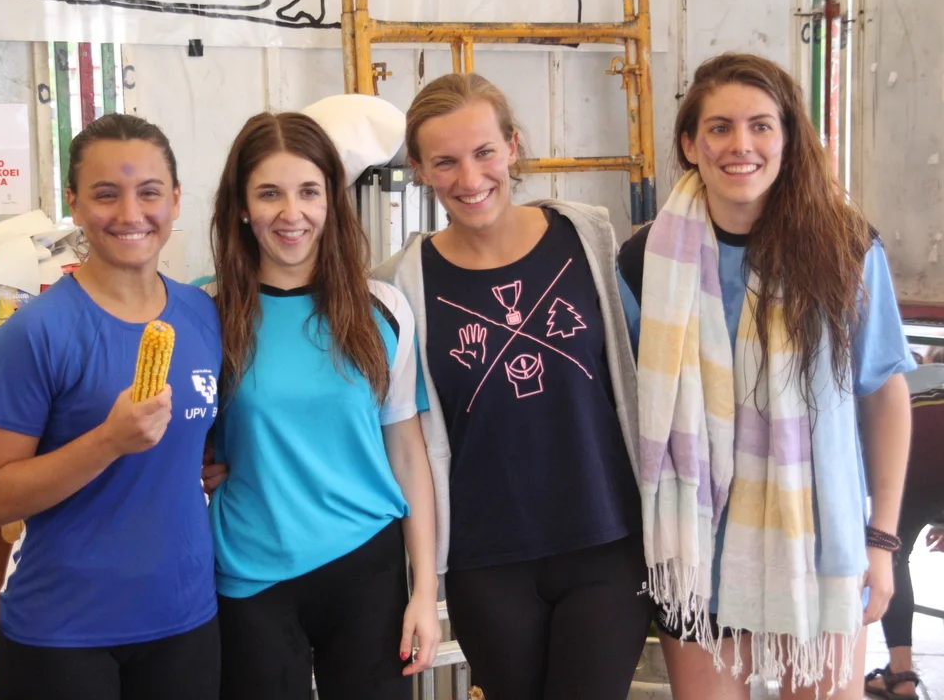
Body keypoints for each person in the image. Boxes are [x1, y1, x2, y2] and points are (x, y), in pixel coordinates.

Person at [617, 53, 915, 699]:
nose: (741, 145)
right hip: (696, 552)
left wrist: (882, 540)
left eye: (760, 125)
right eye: (719, 128)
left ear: (787, 139)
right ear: (690, 144)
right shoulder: (645, 261)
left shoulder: (844, 247)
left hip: (816, 543)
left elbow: (884, 392)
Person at [374, 72, 652, 700]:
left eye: (484, 153)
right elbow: (382, 424)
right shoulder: (400, 285)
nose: (470, 178)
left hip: (605, 542)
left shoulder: (586, 238)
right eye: (445, 162)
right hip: (485, 558)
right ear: (419, 170)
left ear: (513, 147)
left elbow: (651, 370)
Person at [0, 113, 222, 700]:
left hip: (185, 617)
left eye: (149, 193)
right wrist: (108, 442)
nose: (131, 214)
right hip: (63, 632)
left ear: (176, 199)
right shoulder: (35, 334)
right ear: (75, 204)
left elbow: (198, 440)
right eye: (106, 194)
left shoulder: (203, 315)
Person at [204, 111, 440, 700]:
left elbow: (407, 455)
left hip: (367, 569)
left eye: (309, 191)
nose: (292, 213)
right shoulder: (208, 313)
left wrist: (424, 591)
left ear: (332, 200)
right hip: (250, 571)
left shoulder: (382, 308)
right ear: (241, 206)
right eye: (269, 194)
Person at [865, 362, 944, 700]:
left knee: (891, 555)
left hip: (917, 450)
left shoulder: (877, 382)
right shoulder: (929, 374)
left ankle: (901, 676)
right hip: (925, 442)